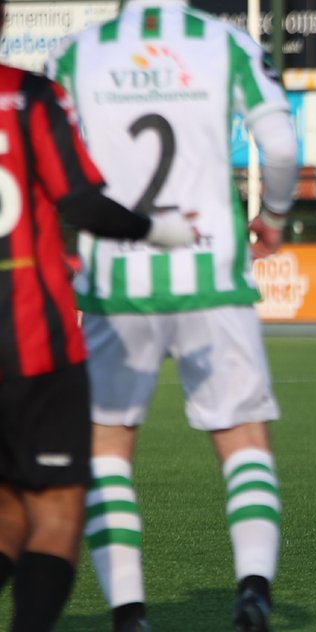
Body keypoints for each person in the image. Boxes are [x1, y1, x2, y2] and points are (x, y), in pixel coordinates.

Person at [45, 1, 300, 629]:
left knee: (106, 450)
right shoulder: (224, 43)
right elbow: (281, 145)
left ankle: (129, 612)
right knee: (242, 440)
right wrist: (272, 218)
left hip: (114, 285)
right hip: (211, 276)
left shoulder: (74, 54)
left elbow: (56, 180)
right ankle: (253, 591)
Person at [0, 2, 196, 623]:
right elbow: (80, 202)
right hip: (33, 342)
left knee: (5, 514)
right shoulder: (28, 97)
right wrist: (158, 230)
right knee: (55, 511)